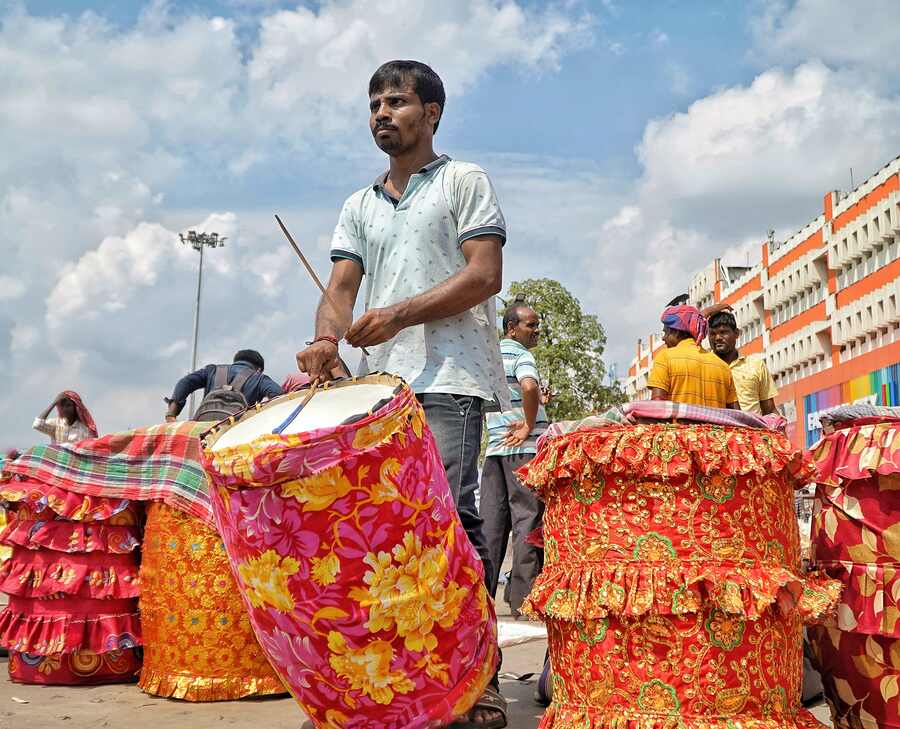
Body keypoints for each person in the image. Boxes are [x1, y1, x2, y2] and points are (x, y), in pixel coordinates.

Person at [296, 59, 508, 728]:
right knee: (386, 541)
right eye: (374, 104)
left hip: (450, 380)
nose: (382, 113)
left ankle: (480, 683)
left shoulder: (463, 181)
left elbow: (485, 275)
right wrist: (326, 343)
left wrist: (398, 315)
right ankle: (402, 683)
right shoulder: (359, 204)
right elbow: (340, 289)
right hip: (379, 393)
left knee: (450, 526)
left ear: (433, 113)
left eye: (397, 102)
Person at [481, 304, 549, 619]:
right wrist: (527, 422)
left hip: (495, 449)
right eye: (531, 325)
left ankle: (481, 600)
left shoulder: (489, 355)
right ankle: (524, 602)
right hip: (524, 449)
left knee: (491, 527)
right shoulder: (521, 355)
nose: (536, 330)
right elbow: (529, 385)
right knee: (527, 523)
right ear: (512, 328)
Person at [647, 305, 740, 409]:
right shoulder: (723, 367)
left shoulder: (665, 357)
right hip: (714, 426)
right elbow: (736, 415)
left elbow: (657, 406)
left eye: (666, 332)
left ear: (677, 331)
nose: (664, 338)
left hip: (677, 425)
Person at [164, 349, 282, 421]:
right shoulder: (259, 378)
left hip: (203, 430)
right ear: (259, 369)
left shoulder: (213, 370)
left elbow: (185, 382)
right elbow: (279, 395)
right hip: (233, 434)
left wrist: (171, 414)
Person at [708, 310, 779, 415]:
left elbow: (769, 410)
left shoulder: (756, 366)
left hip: (753, 430)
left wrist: (779, 428)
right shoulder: (705, 367)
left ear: (736, 333)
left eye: (723, 332)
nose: (717, 338)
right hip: (716, 430)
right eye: (713, 334)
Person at [33, 391, 98, 444]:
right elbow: (37, 425)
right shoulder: (55, 423)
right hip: (57, 458)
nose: (65, 409)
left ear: (76, 407)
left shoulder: (84, 428)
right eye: (62, 406)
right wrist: (54, 403)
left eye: (68, 405)